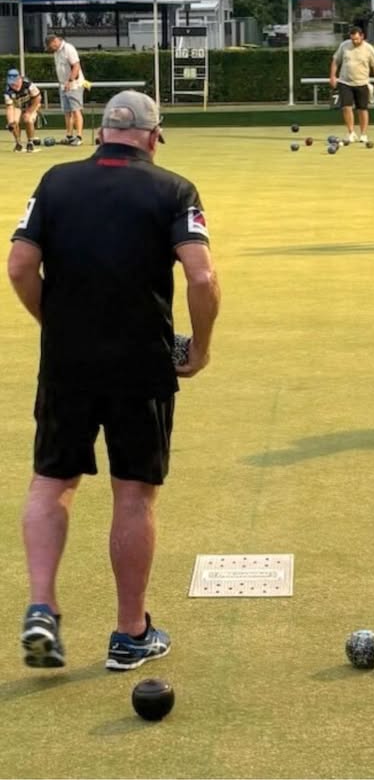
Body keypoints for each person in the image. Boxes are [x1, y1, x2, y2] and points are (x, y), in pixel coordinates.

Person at [7, 90, 221, 671]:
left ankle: (42, 608)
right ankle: (130, 634)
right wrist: (199, 348)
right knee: (133, 493)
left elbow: (20, 266)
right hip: (142, 365)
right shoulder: (174, 189)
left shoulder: (54, 182)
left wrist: (53, 322)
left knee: (52, 482)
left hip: (66, 363)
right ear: (153, 137)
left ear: (101, 132)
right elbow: (201, 276)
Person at [329, 26, 374, 143]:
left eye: (357, 39)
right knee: (346, 107)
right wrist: (333, 76)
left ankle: (363, 134)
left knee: (362, 109)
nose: (354, 41)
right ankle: (351, 133)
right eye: (353, 39)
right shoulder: (344, 46)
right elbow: (335, 61)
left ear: (362, 37)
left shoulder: (369, 49)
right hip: (345, 82)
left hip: (362, 83)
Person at [46, 33, 85, 146]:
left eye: (50, 46)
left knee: (76, 110)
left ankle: (79, 137)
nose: (50, 49)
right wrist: (63, 83)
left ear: (55, 41)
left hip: (74, 85)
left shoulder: (68, 48)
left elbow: (76, 66)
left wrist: (70, 81)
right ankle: (69, 136)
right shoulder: (56, 52)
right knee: (67, 112)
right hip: (63, 85)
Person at [4, 68, 41, 153]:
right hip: (17, 106)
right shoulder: (8, 90)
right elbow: (10, 107)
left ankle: (30, 142)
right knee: (13, 122)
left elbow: (38, 98)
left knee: (27, 119)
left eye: (14, 82)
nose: (13, 85)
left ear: (19, 78)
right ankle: (18, 143)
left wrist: (30, 111)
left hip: (31, 104)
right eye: (11, 83)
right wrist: (10, 122)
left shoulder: (28, 84)